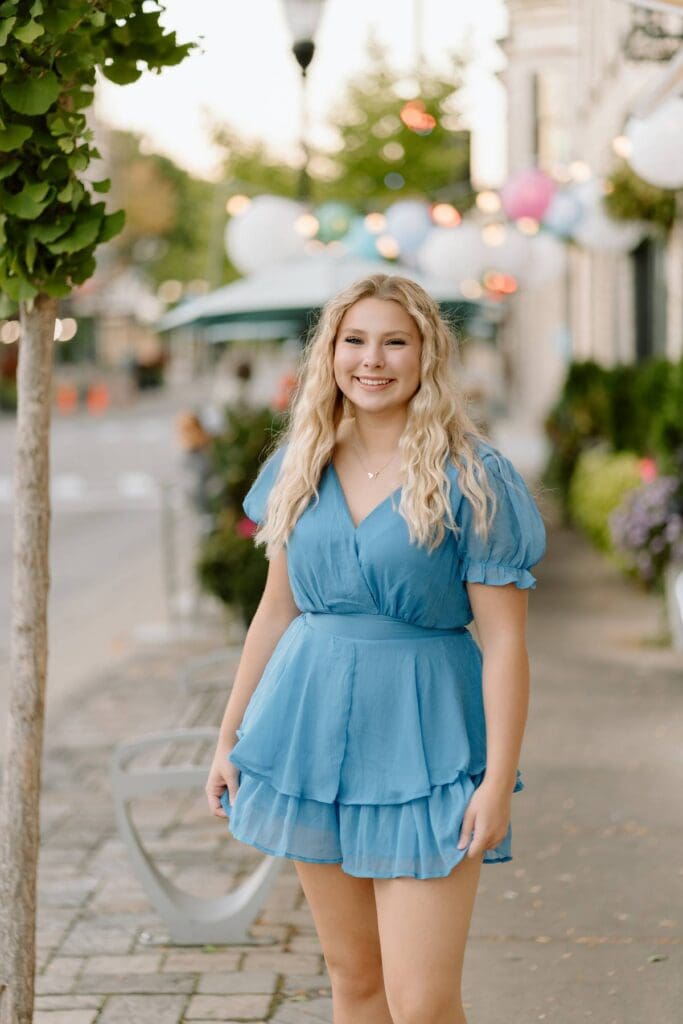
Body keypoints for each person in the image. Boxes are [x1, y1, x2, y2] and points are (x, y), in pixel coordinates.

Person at [205, 273, 547, 1024]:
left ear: (426, 355)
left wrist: (497, 780)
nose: (372, 360)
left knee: (421, 1002)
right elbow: (273, 613)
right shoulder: (299, 463)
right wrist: (229, 737)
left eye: (395, 341)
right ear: (329, 353)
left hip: (428, 742)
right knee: (354, 985)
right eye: (353, 341)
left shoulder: (472, 476)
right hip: (307, 730)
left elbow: (504, 644)